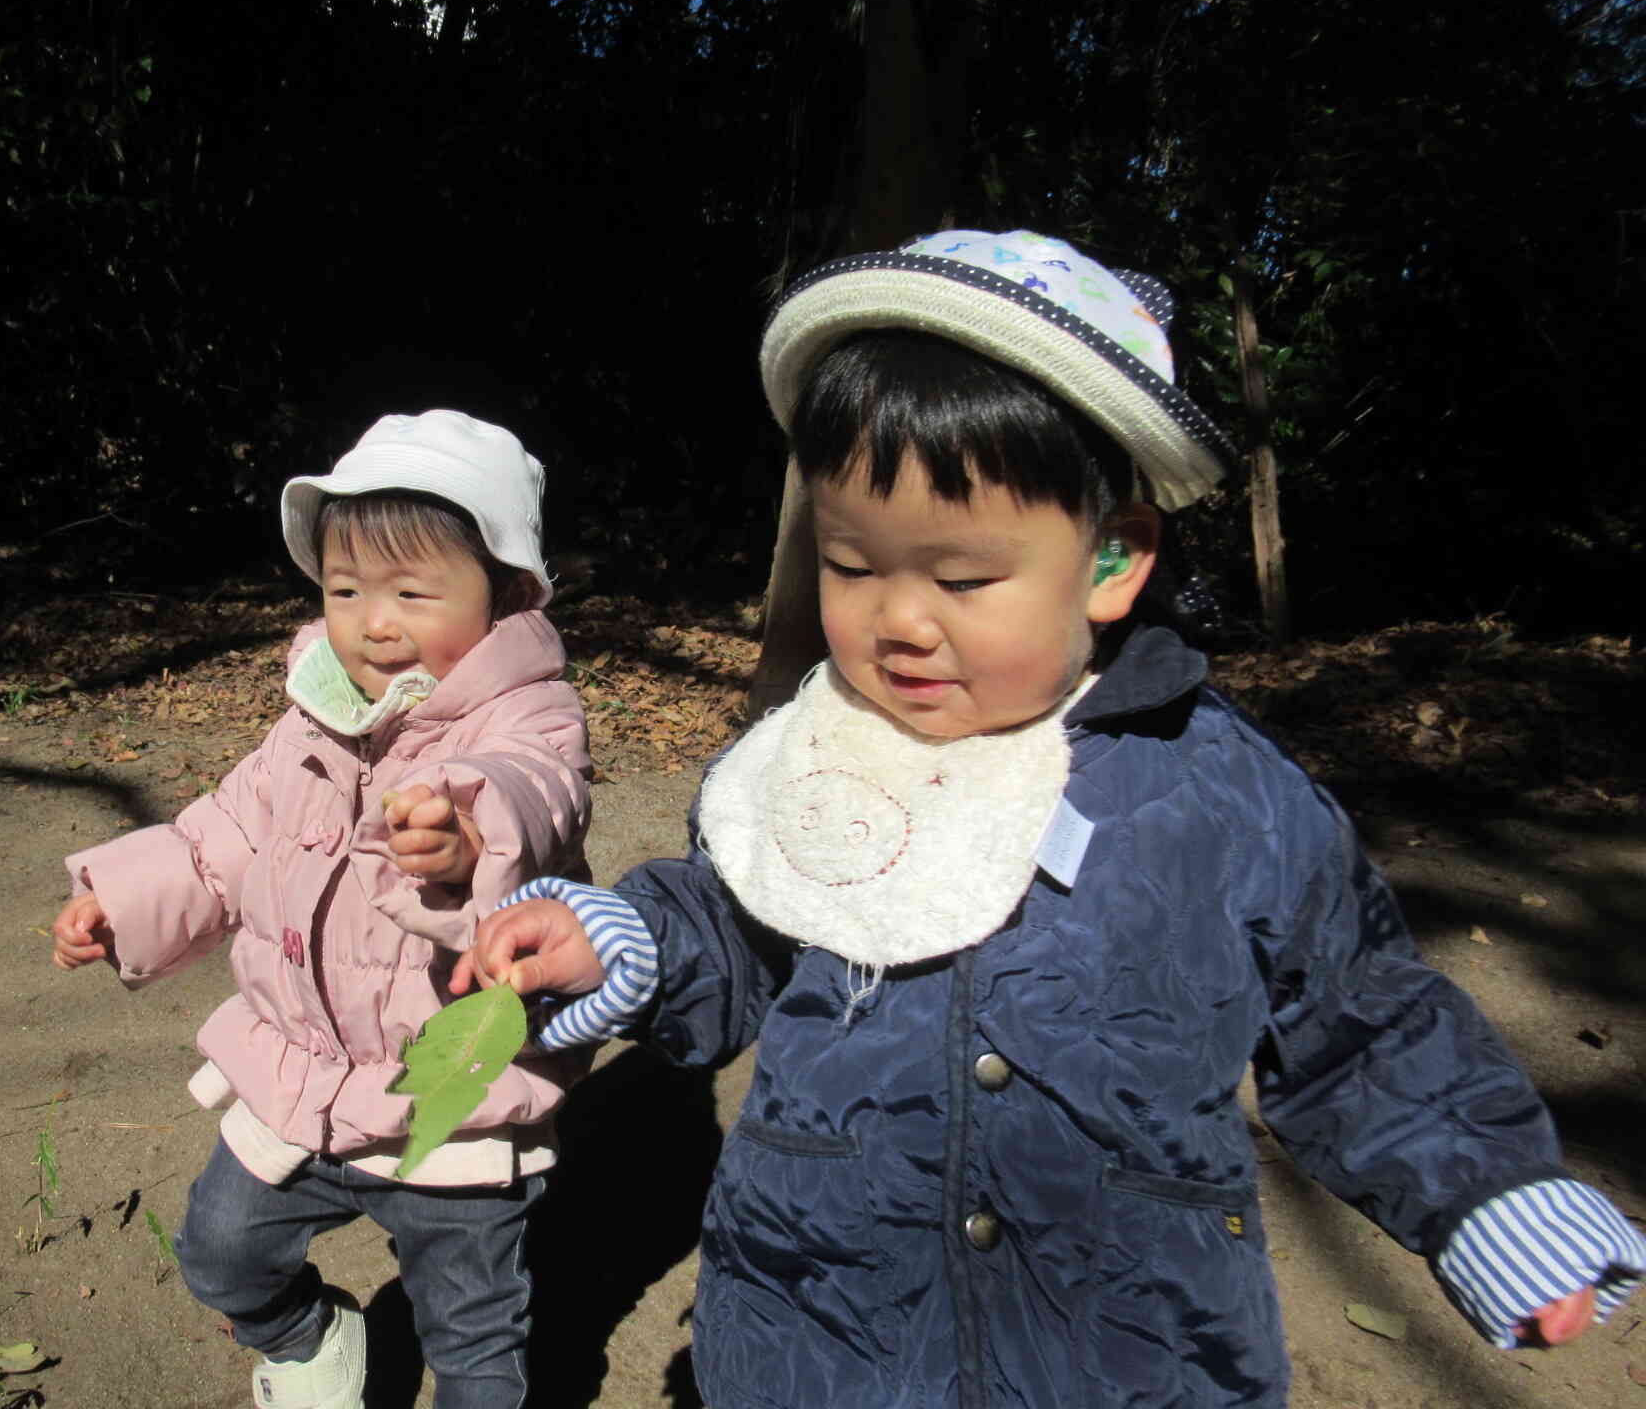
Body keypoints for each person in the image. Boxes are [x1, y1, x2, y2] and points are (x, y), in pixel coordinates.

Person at [452, 231, 1646, 1408]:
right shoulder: (818, 755)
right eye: (855, 563)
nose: (897, 620)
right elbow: (737, 918)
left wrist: (1486, 1191)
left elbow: (1359, 1020)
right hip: (821, 1336)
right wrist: (625, 939)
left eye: (962, 579)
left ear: (1109, 564)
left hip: (1128, 1348)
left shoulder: (1221, 797)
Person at [52, 409, 593, 1409]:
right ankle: (308, 1341)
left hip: (451, 1104)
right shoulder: (312, 718)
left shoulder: (530, 716)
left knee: (475, 1340)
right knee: (219, 1256)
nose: (371, 621)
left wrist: (467, 828)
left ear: (507, 594)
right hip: (298, 1077)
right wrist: (119, 901)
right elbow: (220, 838)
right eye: (344, 590)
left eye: (411, 592)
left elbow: (535, 788)